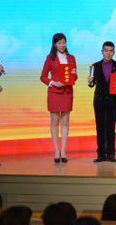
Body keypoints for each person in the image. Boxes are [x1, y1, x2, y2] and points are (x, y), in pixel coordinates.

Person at [40, 33, 78, 163]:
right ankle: (56, 151)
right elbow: (43, 77)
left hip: (67, 92)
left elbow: (74, 77)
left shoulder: (71, 58)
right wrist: (53, 82)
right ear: (55, 45)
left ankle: (63, 150)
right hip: (55, 93)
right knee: (55, 122)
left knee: (65, 122)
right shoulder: (50, 58)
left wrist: (74, 74)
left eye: (64, 42)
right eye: (59, 43)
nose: (62, 45)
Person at [87, 41, 116, 162]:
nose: (108, 53)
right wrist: (90, 81)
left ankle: (111, 154)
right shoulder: (94, 66)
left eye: (111, 51)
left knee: (111, 128)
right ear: (102, 52)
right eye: (106, 50)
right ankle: (101, 154)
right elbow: (91, 84)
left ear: (114, 52)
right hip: (99, 101)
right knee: (100, 128)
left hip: (113, 101)